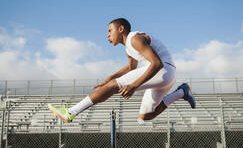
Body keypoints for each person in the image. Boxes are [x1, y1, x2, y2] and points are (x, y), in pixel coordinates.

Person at [48, 18, 195, 123]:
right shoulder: (128, 49)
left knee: (113, 86)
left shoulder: (135, 39)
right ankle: (182, 92)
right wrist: (110, 77)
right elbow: (131, 68)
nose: (108, 35)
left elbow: (156, 63)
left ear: (121, 29)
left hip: (163, 70)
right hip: (165, 76)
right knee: (146, 116)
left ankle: (71, 112)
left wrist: (133, 85)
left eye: (110, 31)